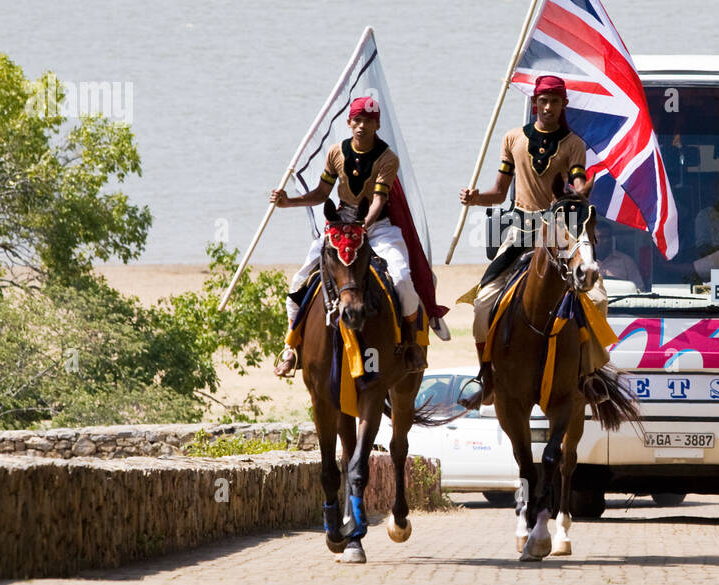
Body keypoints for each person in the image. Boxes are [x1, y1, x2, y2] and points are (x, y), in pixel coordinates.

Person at [459, 75, 597, 403]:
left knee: (598, 299)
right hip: (521, 230)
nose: (548, 108)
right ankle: (487, 377)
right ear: (535, 103)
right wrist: (476, 198)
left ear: (564, 105)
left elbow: (578, 182)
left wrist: (579, 193)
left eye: (555, 102)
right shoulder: (512, 138)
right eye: (543, 101)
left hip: (559, 231)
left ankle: (590, 375)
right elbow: (499, 192)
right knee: (482, 303)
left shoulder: (574, 143)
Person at [272, 96, 426, 376]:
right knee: (299, 280)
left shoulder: (388, 158)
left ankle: (411, 343)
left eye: (368, 121)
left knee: (402, 278)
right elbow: (321, 193)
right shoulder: (335, 153)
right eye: (357, 120)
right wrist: (288, 202)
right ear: (349, 122)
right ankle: (291, 346)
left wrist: (363, 226)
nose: (361, 126)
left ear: (377, 124)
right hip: (341, 227)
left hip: (377, 228)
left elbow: (378, 201)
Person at [595, 219, 646, 291]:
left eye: (608, 237)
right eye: (601, 237)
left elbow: (639, 289)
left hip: (620, 302)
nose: (606, 240)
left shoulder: (626, 261)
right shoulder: (582, 261)